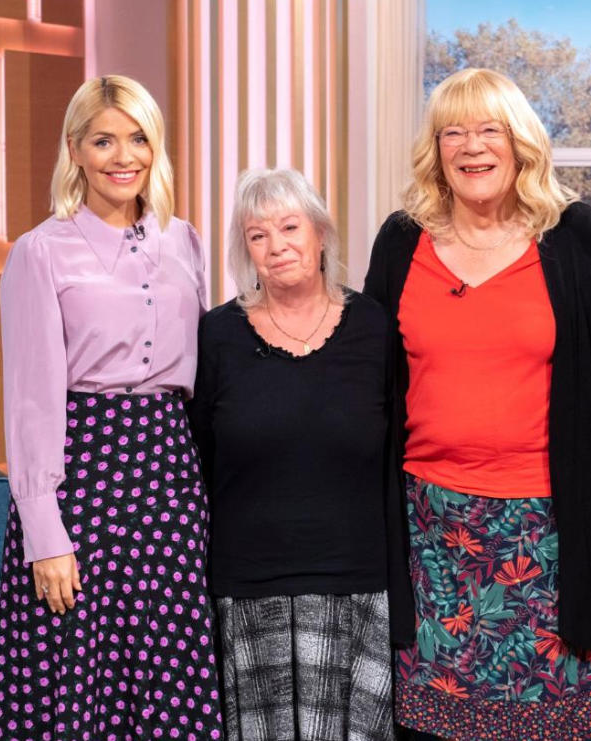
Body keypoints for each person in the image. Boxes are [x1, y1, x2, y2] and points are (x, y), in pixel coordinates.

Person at [364, 68, 591, 741]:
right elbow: (369, 378)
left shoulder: (578, 240)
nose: (473, 147)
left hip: (547, 528)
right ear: (436, 149)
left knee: (553, 725)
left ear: (521, 143)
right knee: (435, 726)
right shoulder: (401, 241)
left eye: (490, 130)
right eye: (455, 131)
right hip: (429, 528)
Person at [0, 75, 223, 740]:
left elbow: (209, 378)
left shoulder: (185, 241)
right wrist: (43, 531)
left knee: (174, 669)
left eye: (137, 137)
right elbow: (30, 399)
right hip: (83, 478)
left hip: (173, 477)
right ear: (75, 150)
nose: (123, 155)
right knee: (82, 679)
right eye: (103, 139)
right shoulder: (40, 252)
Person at [188, 168, 405, 741]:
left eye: (290, 226)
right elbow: (199, 461)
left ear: (321, 235)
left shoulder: (375, 326)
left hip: (357, 583)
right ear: (245, 250)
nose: (277, 245)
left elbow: (396, 454)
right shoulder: (215, 335)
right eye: (258, 235)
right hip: (248, 587)